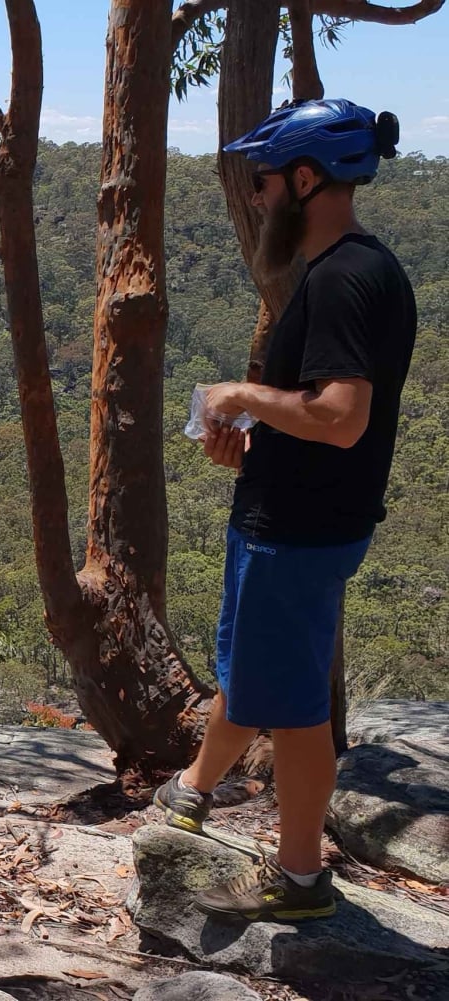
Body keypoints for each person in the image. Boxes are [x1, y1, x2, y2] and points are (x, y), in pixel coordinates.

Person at [153, 99, 416, 922]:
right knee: (251, 666)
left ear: (306, 178)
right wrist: (253, 436)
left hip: (300, 533)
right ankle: (194, 788)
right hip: (290, 515)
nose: (258, 197)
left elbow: (341, 416)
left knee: (296, 710)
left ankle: (300, 878)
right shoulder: (349, 269)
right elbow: (313, 417)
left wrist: (242, 394)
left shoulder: (344, 280)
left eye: (264, 181)